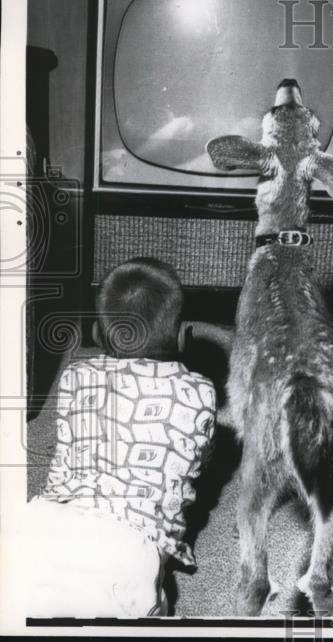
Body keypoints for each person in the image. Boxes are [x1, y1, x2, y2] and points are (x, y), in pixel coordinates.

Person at [22, 257, 216, 617]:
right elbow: (188, 475)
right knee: (127, 609)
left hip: (46, 523)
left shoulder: (75, 376)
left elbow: (61, 463)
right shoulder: (200, 392)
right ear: (180, 336)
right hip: (129, 547)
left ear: (96, 334)